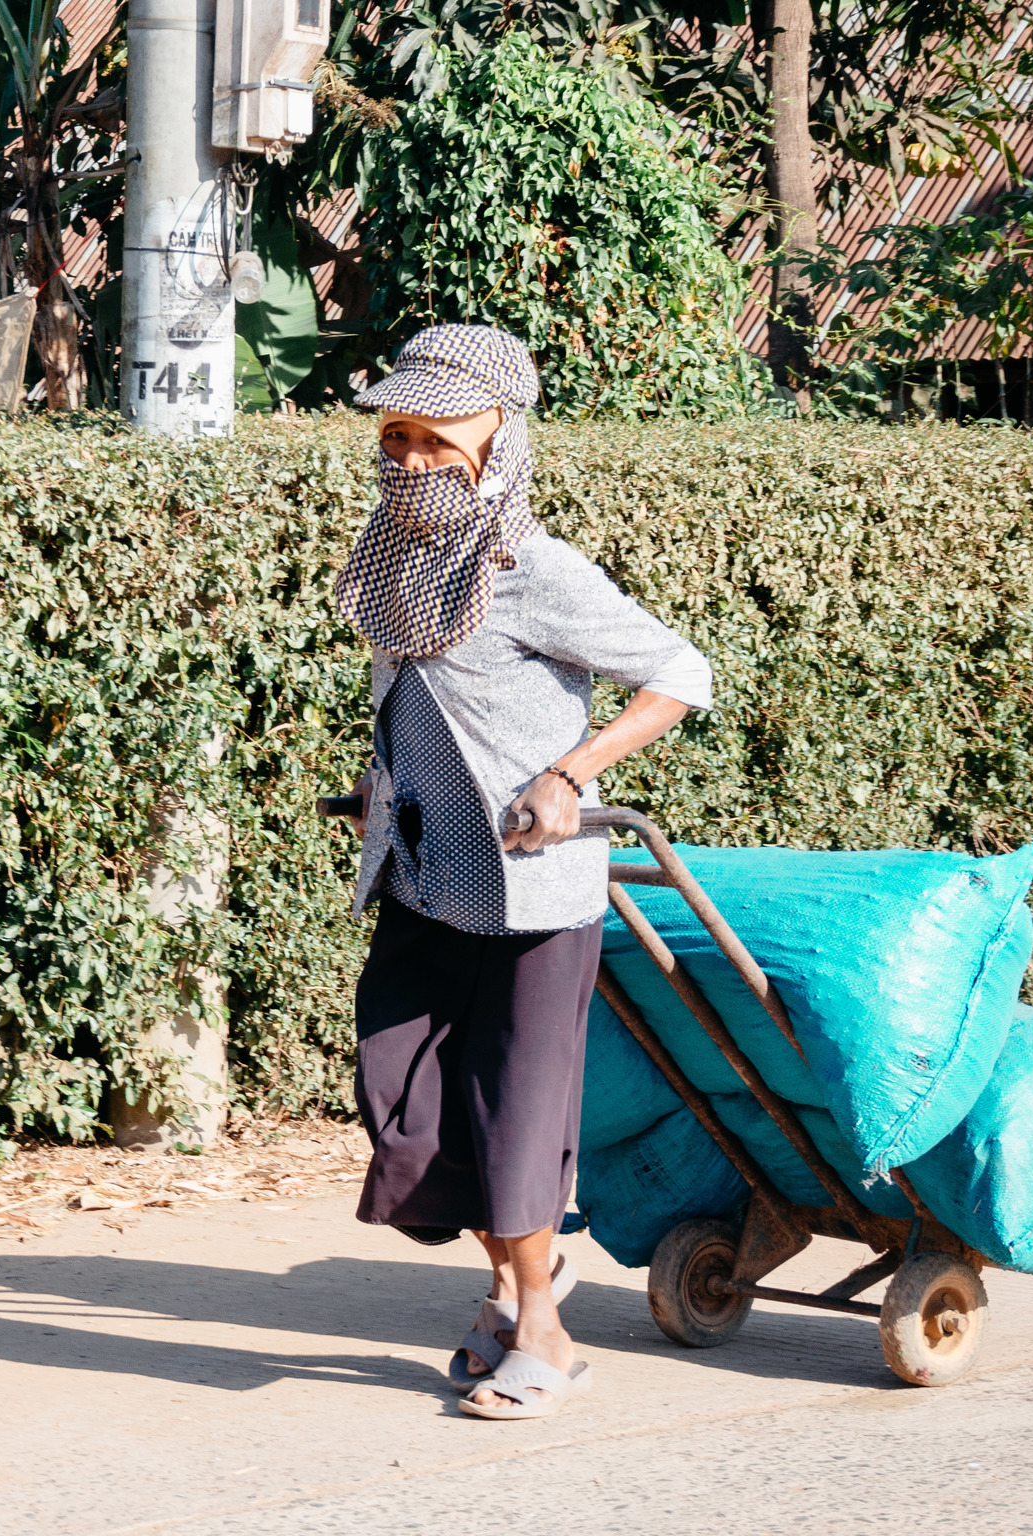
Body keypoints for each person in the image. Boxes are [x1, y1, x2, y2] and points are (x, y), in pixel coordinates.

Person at [335, 325, 714, 1420]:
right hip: (421, 878)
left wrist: (568, 771)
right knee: (401, 1099)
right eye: (393, 435)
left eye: (431, 437)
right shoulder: (398, 557)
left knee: (511, 1113)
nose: (405, 458)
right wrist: (385, 777)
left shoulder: (532, 568)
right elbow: (427, 701)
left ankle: (535, 1329)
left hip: (529, 892)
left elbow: (678, 671)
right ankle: (518, 1290)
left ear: (498, 438)